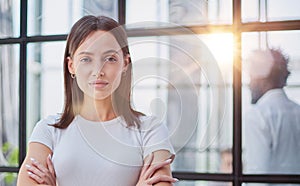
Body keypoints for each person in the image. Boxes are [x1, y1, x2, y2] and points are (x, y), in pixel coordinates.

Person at [17, 15, 177, 186]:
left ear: (125, 64)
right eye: (86, 59)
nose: (98, 71)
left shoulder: (151, 130)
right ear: (71, 66)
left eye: (110, 59)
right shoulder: (48, 130)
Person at [244, 48, 300, 177]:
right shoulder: (298, 111)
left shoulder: (257, 115)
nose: (249, 84)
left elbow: (257, 177)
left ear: (262, 78)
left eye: (251, 77)